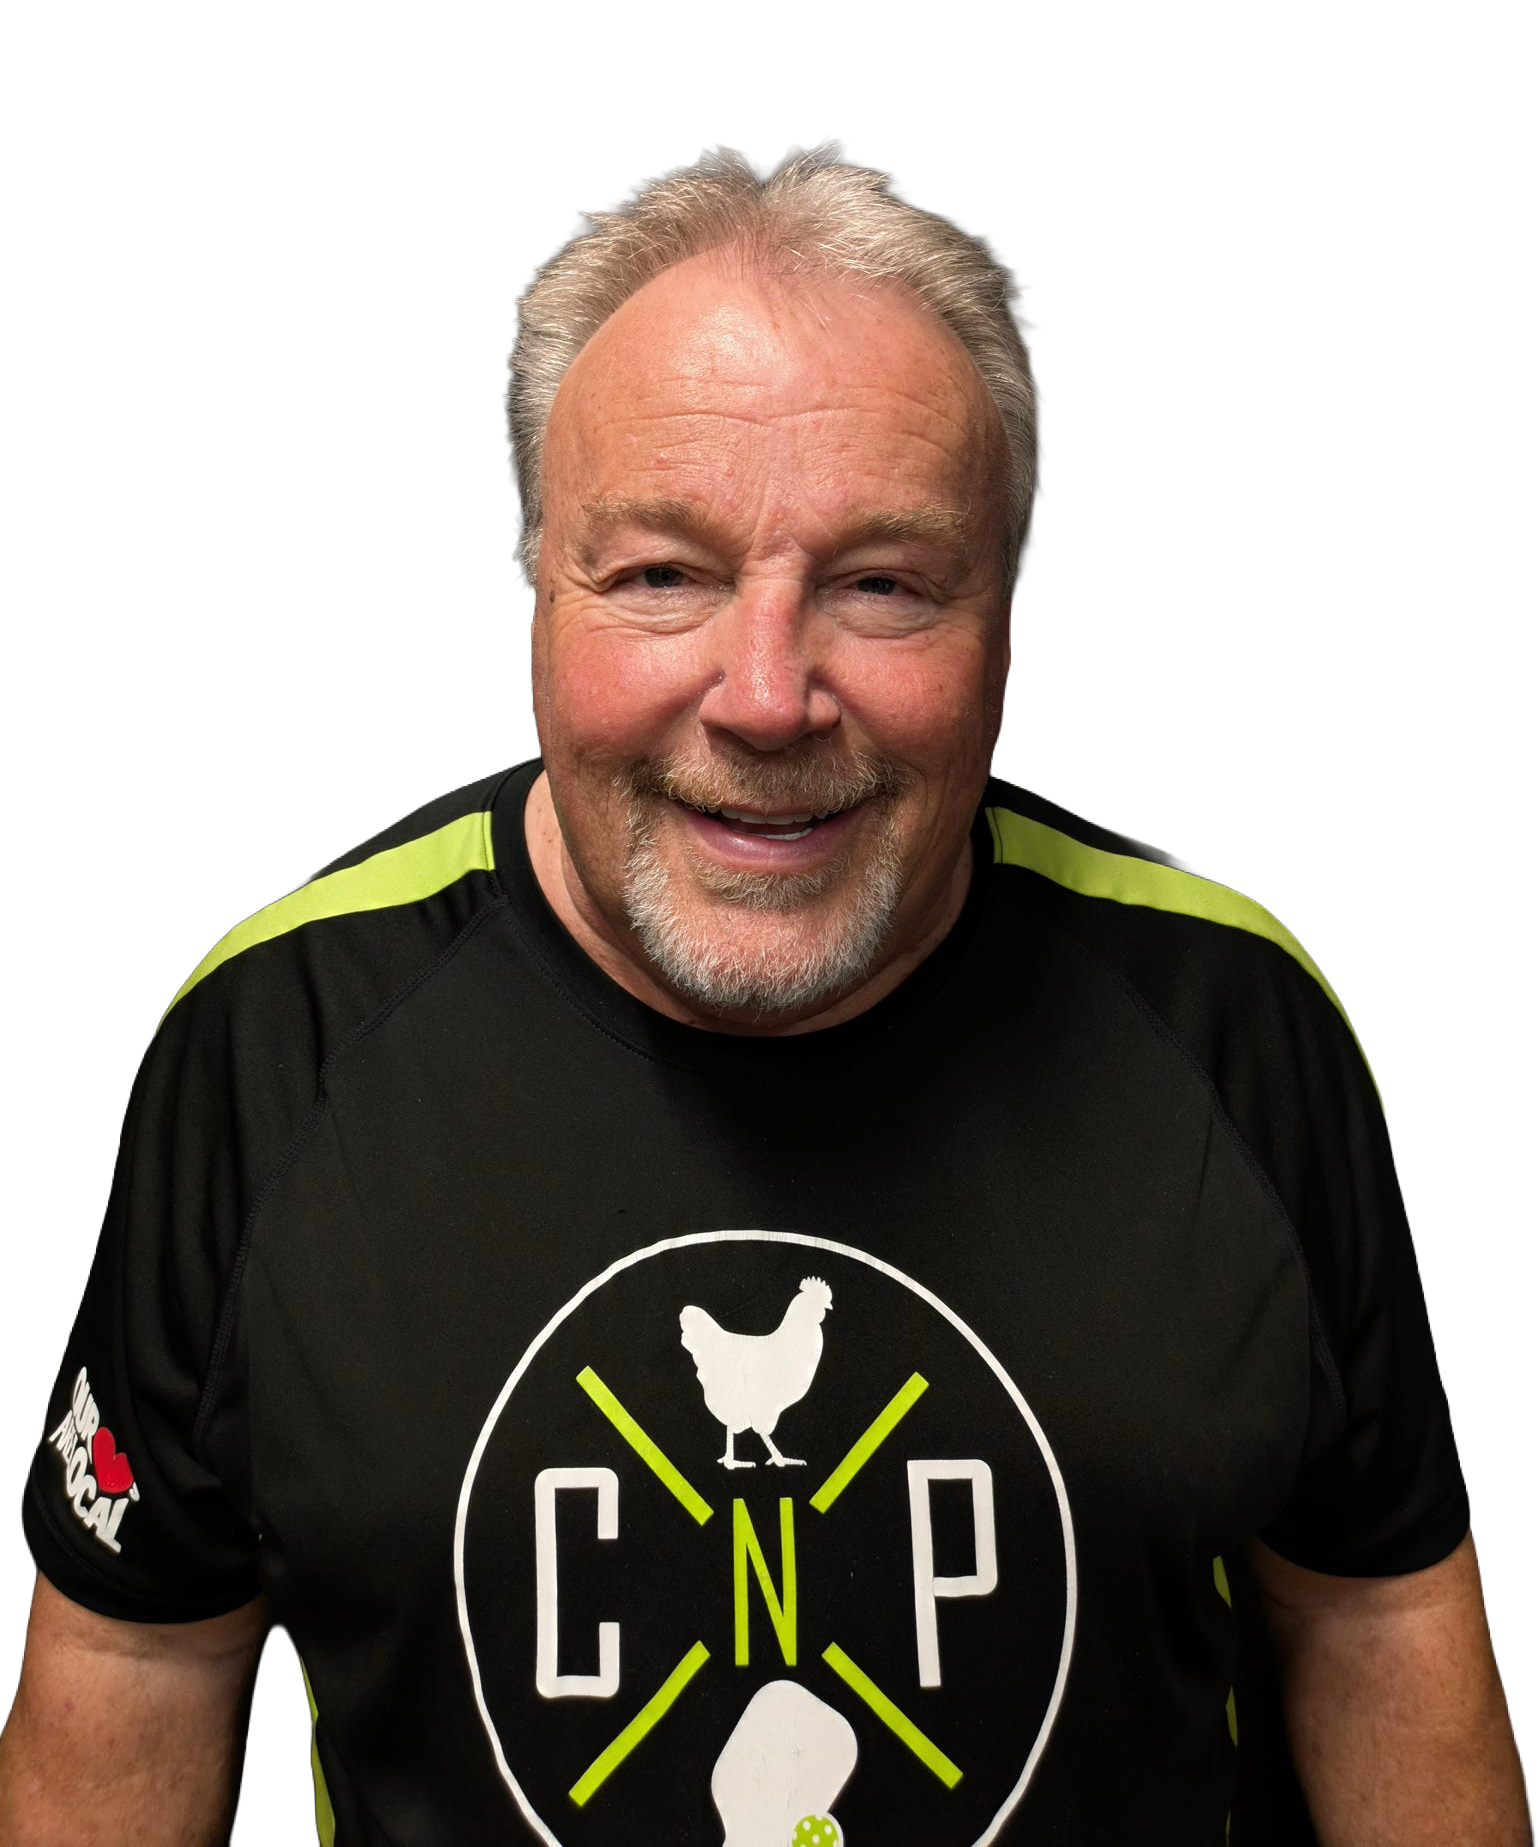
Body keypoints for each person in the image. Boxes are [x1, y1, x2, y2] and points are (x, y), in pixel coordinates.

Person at [1, 139, 1531, 1847]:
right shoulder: (274, 1038)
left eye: (881, 584)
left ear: (1002, 632)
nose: (764, 695)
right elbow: (135, 1663)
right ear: (536, 601)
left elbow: (1373, 1617)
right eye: (661, 574)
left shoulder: (1232, 1019)